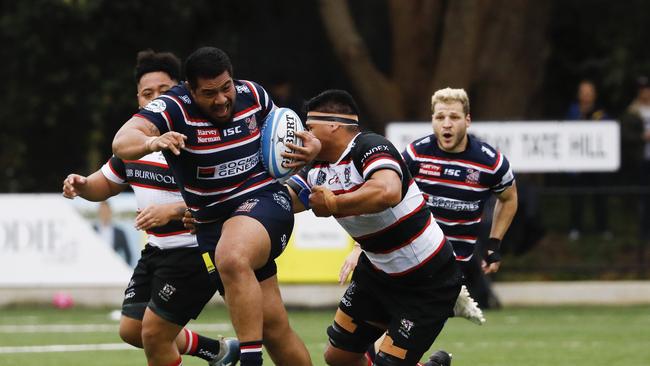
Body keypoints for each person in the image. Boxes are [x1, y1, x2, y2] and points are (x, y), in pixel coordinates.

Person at [112, 46, 319, 366]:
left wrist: (311, 146)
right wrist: (153, 141)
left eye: (226, 87)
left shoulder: (253, 94)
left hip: (264, 201)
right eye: (210, 94)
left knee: (232, 256)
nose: (223, 99)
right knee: (273, 328)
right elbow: (122, 142)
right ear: (190, 90)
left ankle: (250, 360)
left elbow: (290, 130)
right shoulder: (173, 108)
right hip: (212, 225)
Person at [63, 49, 238, 366]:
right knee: (131, 329)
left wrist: (171, 211)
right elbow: (105, 183)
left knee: (154, 335)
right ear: (139, 101)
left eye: (165, 91)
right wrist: (82, 185)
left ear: (181, 94)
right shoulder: (133, 147)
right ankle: (218, 351)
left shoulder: (199, 139)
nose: (156, 98)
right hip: (156, 251)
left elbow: (225, 195)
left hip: (194, 251)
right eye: (148, 94)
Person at [285, 89, 463, 366]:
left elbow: (387, 192)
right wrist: (221, 214)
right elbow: (283, 200)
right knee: (338, 358)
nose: (305, 135)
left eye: (310, 127)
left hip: (427, 282)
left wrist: (334, 203)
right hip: (377, 274)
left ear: (333, 124)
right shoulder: (316, 168)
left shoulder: (369, 146)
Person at [565, 79, 611, 241]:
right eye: (583, 92)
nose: (586, 95)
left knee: (600, 196)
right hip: (578, 163)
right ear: (579, 94)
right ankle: (575, 228)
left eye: (589, 92)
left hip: (597, 163)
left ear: (594, 94)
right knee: (577, 197)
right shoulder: (572, 111)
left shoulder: (601, 112)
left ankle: (603, 228)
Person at [619, 75, 650, 240]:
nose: (645, 92)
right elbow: (625, 135)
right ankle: (644, 230)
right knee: (644, 195)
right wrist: (642, 137)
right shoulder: (632, 111)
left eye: (647, 89)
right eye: (642, 90)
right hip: (642, 159)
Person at [93, 200, 132, 265]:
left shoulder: (120, 233)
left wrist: (123, 271)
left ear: (110, 212)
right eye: (102, 211)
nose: (104, 214)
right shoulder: (92, 230)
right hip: (96, 267)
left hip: (114, 268)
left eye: (106, 211)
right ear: (99, 212)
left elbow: (128, 255)